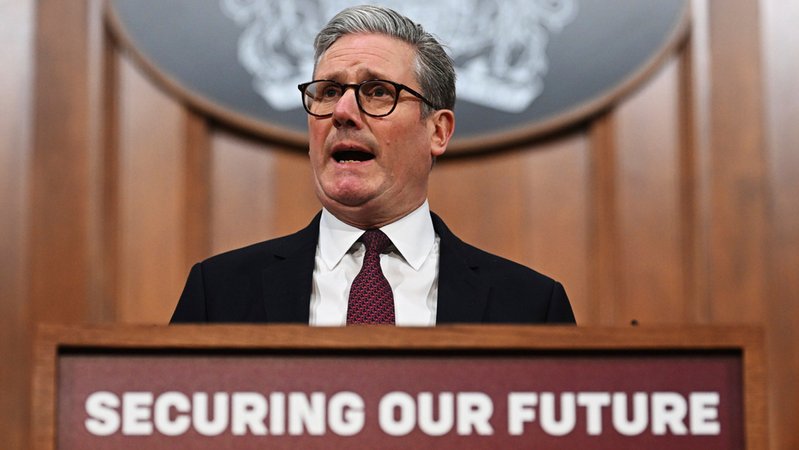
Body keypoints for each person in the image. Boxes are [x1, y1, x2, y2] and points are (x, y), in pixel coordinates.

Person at [171, 5, 575, 325]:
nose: (342, 112)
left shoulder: (531, 306)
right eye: (328, 92)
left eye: (378, 91)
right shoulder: (217, 294)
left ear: (438, 131)